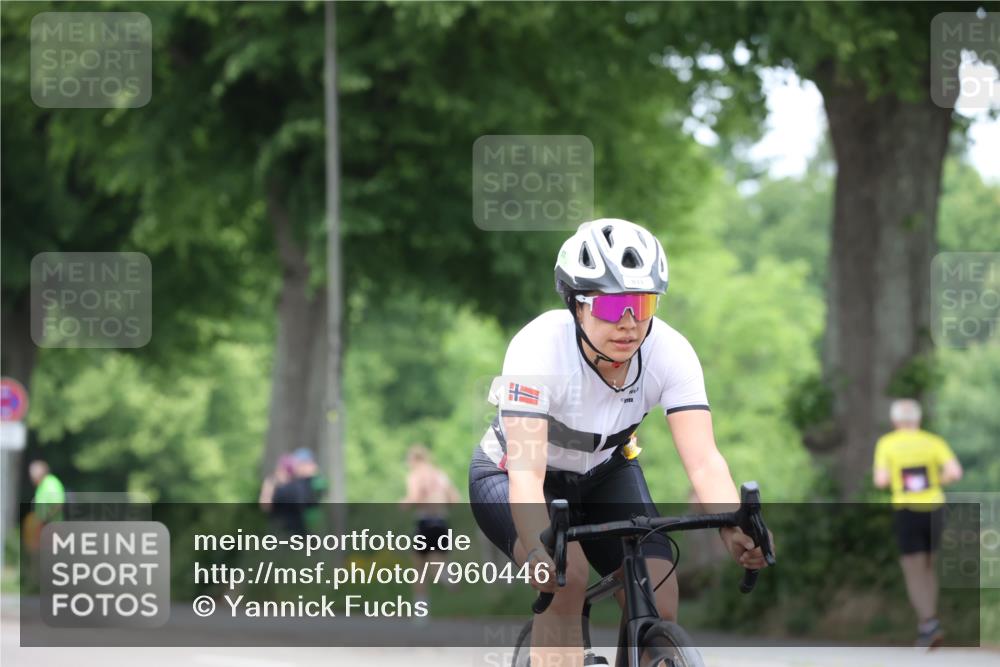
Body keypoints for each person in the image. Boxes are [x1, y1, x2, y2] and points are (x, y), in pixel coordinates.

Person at [468, 218, 772, 665]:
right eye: (612, 306)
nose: (629, 323)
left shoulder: (670, 352)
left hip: (605, 471)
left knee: (658, 594)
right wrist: (535, 549)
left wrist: (733, 526)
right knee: (567, 578)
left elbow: (705, 462)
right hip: (515, 474)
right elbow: (527, 477)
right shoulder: (537, 349)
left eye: (642, 304)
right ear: (577, 305)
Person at [873, 398, 962, 648]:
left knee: (913, 570)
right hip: (935, 508)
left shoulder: (887, 443)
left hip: (907, 509)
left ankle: (928, 623)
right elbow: (954, 472)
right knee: (930, 568)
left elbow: (880, 481)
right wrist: (932, 482)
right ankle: (929, 623)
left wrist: (902, 481)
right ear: (918, 419)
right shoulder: (933, 441)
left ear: (894, 420)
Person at [400, 444, 460, 621]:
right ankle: (447, 577)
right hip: (441, 522)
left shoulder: (415, 475)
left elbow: (414, 496)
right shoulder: (440, 475)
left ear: (414, 459)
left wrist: (404, 504)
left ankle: (421, 613)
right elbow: (455, 499)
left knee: (419, 569)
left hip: (424, 522)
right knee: (437, 563)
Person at [259, 455, 308, 536]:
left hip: (288, 534)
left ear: (284, 471)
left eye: (279, 469)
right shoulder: (298, 486)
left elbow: (265, 506)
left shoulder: (284, 490)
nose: (276, 472)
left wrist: (268, 486)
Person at [29, 460, 65, 525]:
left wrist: (45, 519)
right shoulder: (42, 485)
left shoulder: (50, 483)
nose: (31, 478)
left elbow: (57, 504)